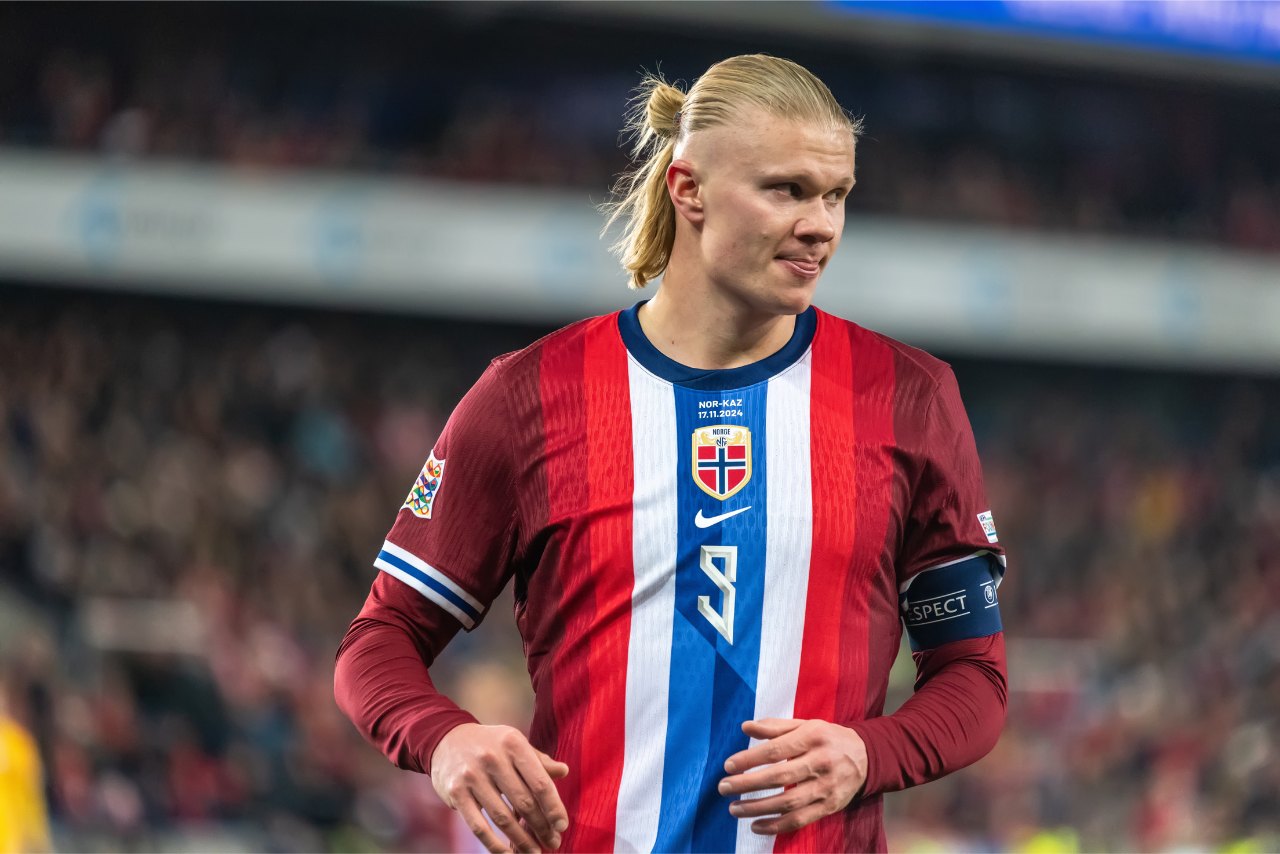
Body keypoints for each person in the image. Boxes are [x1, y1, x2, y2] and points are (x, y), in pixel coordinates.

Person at [335, 53, 1008, 854]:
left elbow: (974, 677)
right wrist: (445, 737)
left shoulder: (910, 399)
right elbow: (379, 639)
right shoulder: (527, 397)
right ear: (687, 188)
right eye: (785, 190)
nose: (821, 225)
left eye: (836, 195)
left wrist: (870, 752)